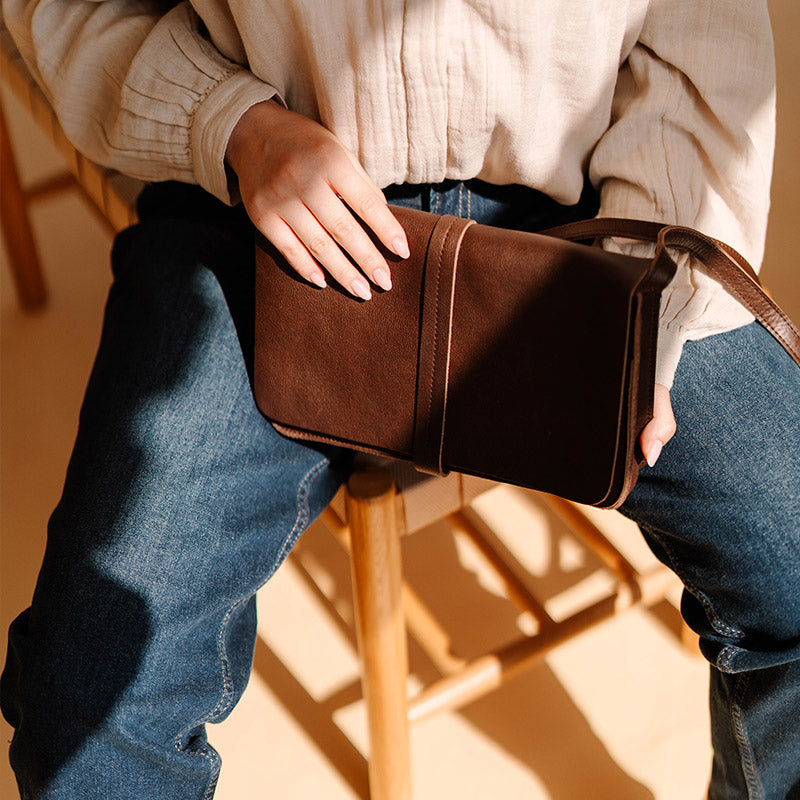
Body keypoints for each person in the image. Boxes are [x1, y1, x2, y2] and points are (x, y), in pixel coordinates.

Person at [1, 1, 798, 798]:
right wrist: (235, 125)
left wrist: (644, 300)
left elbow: (702, 32)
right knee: (85, 704)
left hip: (591, 212)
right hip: (259, 202)